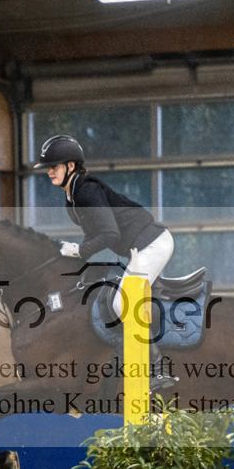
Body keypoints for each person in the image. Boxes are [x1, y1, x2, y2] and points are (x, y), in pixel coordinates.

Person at [34, 134, 177, 390]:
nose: (49, 172)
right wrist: (72, 259)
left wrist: (79, 251)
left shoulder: (86, 190)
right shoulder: (73, 197)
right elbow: (94, 234)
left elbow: (110, 234)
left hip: (153, 244)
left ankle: (156, 370)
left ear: (70, 166)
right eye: (48, 167)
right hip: (138, 247)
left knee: (122, 301)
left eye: (53, 166)